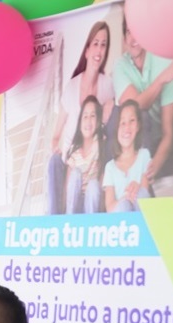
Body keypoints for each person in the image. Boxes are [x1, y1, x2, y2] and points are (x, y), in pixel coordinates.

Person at [113, 17, 173, 197]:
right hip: (141, 148)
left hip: (167, 148)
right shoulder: (120, 67)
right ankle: (146, 200)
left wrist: (155, 163)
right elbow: (133, 109)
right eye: (128, 33)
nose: (133, 39)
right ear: (124, 39)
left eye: (138, 31)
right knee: (140, 115)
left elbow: (168, 133)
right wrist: (162, 78)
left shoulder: (162, 60)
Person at [46, 21, 114, 215]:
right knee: (55, 164)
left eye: (103, 44)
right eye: (95, 43)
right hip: (71, 158)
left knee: (93, 185)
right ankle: (55, 218)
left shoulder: (107, 85)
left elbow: (107, 122)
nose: (99, 49)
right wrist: (56, 149)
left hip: (93, 161)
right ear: (86, 50)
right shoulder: (71, 87)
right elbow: (56, 133)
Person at [103, 99, 151, 212]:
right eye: (122, 123)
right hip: (121, 223)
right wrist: (125, 197)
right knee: (124, 205)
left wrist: (138, 187)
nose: (127, 127)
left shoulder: (144, 155)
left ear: (138, 126)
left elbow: (144, 192)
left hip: (139, 214)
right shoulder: (110, 167)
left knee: (141, 194)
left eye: (132, 121)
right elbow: (110, 208)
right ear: (117, 129)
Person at [61, 96, 106, 214]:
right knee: (75, 173)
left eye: (92, 116)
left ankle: (90, 223)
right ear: (80, 122)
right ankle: (70, 220)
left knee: (93, 185)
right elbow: (68, 188)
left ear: (97, 121)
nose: (88, 121)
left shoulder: (100, 145)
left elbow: (102, 180)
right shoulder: (74, 153)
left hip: (92, 203)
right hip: (75, 204)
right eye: (85, 116)